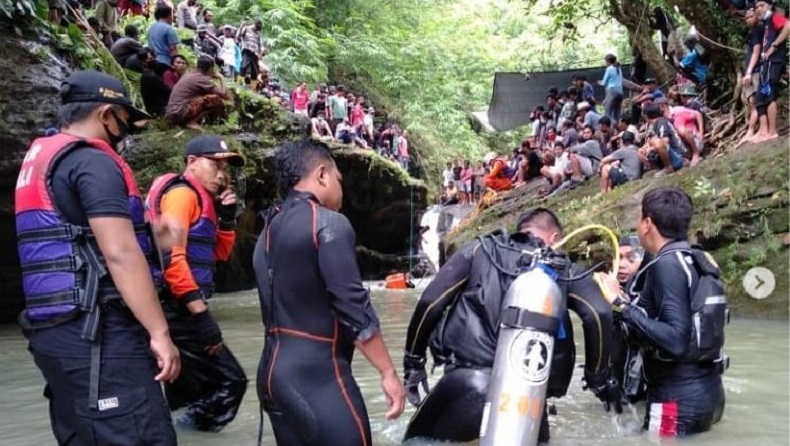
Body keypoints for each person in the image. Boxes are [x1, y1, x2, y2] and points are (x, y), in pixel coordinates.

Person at [15, 70, 180, 444]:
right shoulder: (92, 162)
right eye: (125, 120)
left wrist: (156, 238)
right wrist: (159, 333)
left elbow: (78, 236)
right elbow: (120, 252)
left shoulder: (43, 160)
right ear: (107, 114)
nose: (127, 132)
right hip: (98, 335)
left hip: (54, 336)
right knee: (143, 434)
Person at [401, 208, 618, 443]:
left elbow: (430, 301)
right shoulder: (565, 270)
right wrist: (598, 378)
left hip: (466, 386)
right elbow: (600, 313)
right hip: (527, 406)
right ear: (555, 239)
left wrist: (414, 364)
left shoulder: (480, 250)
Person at [253, 139, 405, 445]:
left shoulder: (267, 230)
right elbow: (352, 307)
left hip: (272, 375)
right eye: (339, 179)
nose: (341, 189)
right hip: (317, 377)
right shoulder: (327, 223)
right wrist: (388, 372)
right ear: (322, 174)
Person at [595, 186, 727, 437]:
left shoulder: (666, 265)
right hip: (708, 392)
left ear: (647, 223)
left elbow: (676, 341)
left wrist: (618, 303)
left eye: (639, 219)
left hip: (675, 401)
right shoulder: (695, 258)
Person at [146, 135, 248, 432]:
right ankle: (189, 433)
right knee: (231, 382)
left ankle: (181, 430)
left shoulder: (202, 200)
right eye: (214, 164)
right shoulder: (182, 195)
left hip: (178, 306)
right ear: (191, 162)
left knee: (192, 391)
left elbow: (218, 254)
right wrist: (201, 315)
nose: (222, 174)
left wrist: (227, 220)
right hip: (176, 308)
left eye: (226, 168)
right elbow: (171, 258)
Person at [752, 0, 789, 143]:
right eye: (757, 7)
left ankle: (772, 131)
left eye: (762, 6)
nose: (759, 9)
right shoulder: (765, 23)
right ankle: (764, 131)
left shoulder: (774, 17)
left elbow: (788, 26)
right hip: (766, 63)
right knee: (760, 96)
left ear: (769, 6)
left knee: (769, 93)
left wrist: (773, 46)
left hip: (774, 61)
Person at [166, 55, 229, 129]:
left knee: (204, 96)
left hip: (172, 112)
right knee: (216, 99)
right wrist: (221, 78)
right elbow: (224, 95)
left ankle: (198, 121)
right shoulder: (201, 78)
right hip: (179, 113)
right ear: (210, 69)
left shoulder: (190, 73)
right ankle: (192, 122)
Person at [148, 5, 180, 72]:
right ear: (169, 15)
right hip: (165, 63)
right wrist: (176, 66)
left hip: (153, 62)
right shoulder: (169, 29)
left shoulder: (151, 28)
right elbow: (173, 49)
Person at [599, 53, 624, 121]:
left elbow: (604, 83)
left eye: (606, 61)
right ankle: (618, 127)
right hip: (620, 92)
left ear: (608, 61)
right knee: (617, 114)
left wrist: (600, 82)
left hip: (612, 92)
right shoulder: (618, 68)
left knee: (607, 114)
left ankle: (611, 128)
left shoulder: (609, 69)